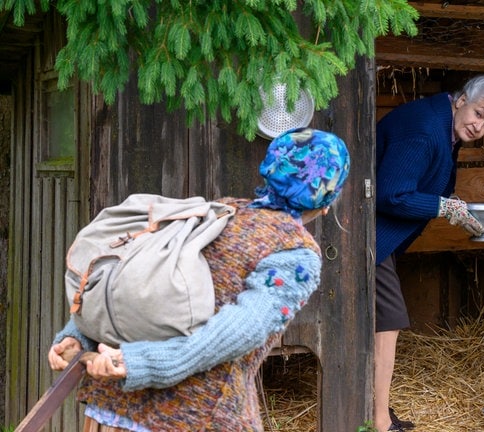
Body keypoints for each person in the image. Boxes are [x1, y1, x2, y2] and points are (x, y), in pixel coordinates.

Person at [48, 127, 350, 432]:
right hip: (190, 415)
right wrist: (144, 363)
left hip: (110, 408)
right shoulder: (296, 253)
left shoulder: (222, 211)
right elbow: (241, 330)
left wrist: (77, 334)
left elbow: (137, 278)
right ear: (327, 201)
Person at [374, 74, 484, 432]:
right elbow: (391, 195)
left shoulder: (446, 125)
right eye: (479, 113)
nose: (479, 126)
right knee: (388, 320)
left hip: (380, 238)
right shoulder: (425, 129)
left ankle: (375, 409)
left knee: (378, 320)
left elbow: (421, 182)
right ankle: (378, 422)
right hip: (369, 237)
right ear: (462, 98)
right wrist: (444, 208)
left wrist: (448, 203)